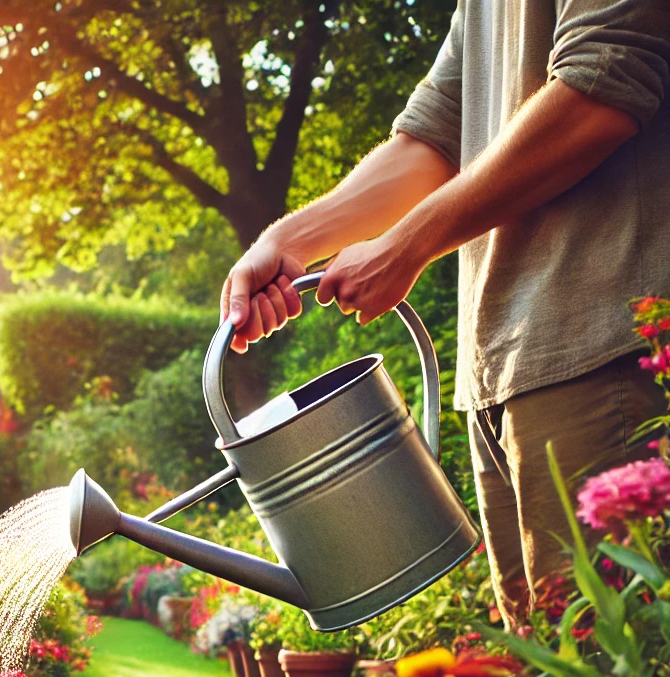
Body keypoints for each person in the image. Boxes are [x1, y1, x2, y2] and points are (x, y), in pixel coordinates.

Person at [221, 1, 670, 627]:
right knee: (552, 662)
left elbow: (600, 89)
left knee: (619, 660)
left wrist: (405, 246)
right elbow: (435, 138)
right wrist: (288, 241)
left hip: (607, 344)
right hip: (504, 372)